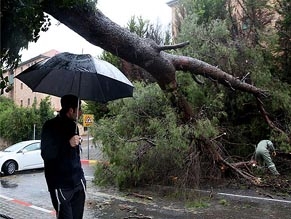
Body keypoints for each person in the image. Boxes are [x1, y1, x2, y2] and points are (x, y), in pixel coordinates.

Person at [41, 94, 86, 219]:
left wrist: (81, 179)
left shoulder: (74, 126)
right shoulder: (50, 126)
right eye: (80, 109)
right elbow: (46, 154)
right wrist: (68, 143)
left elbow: (75, 156)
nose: (81, 112)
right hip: (60, 185)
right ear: (71, 110)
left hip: (78, 183)